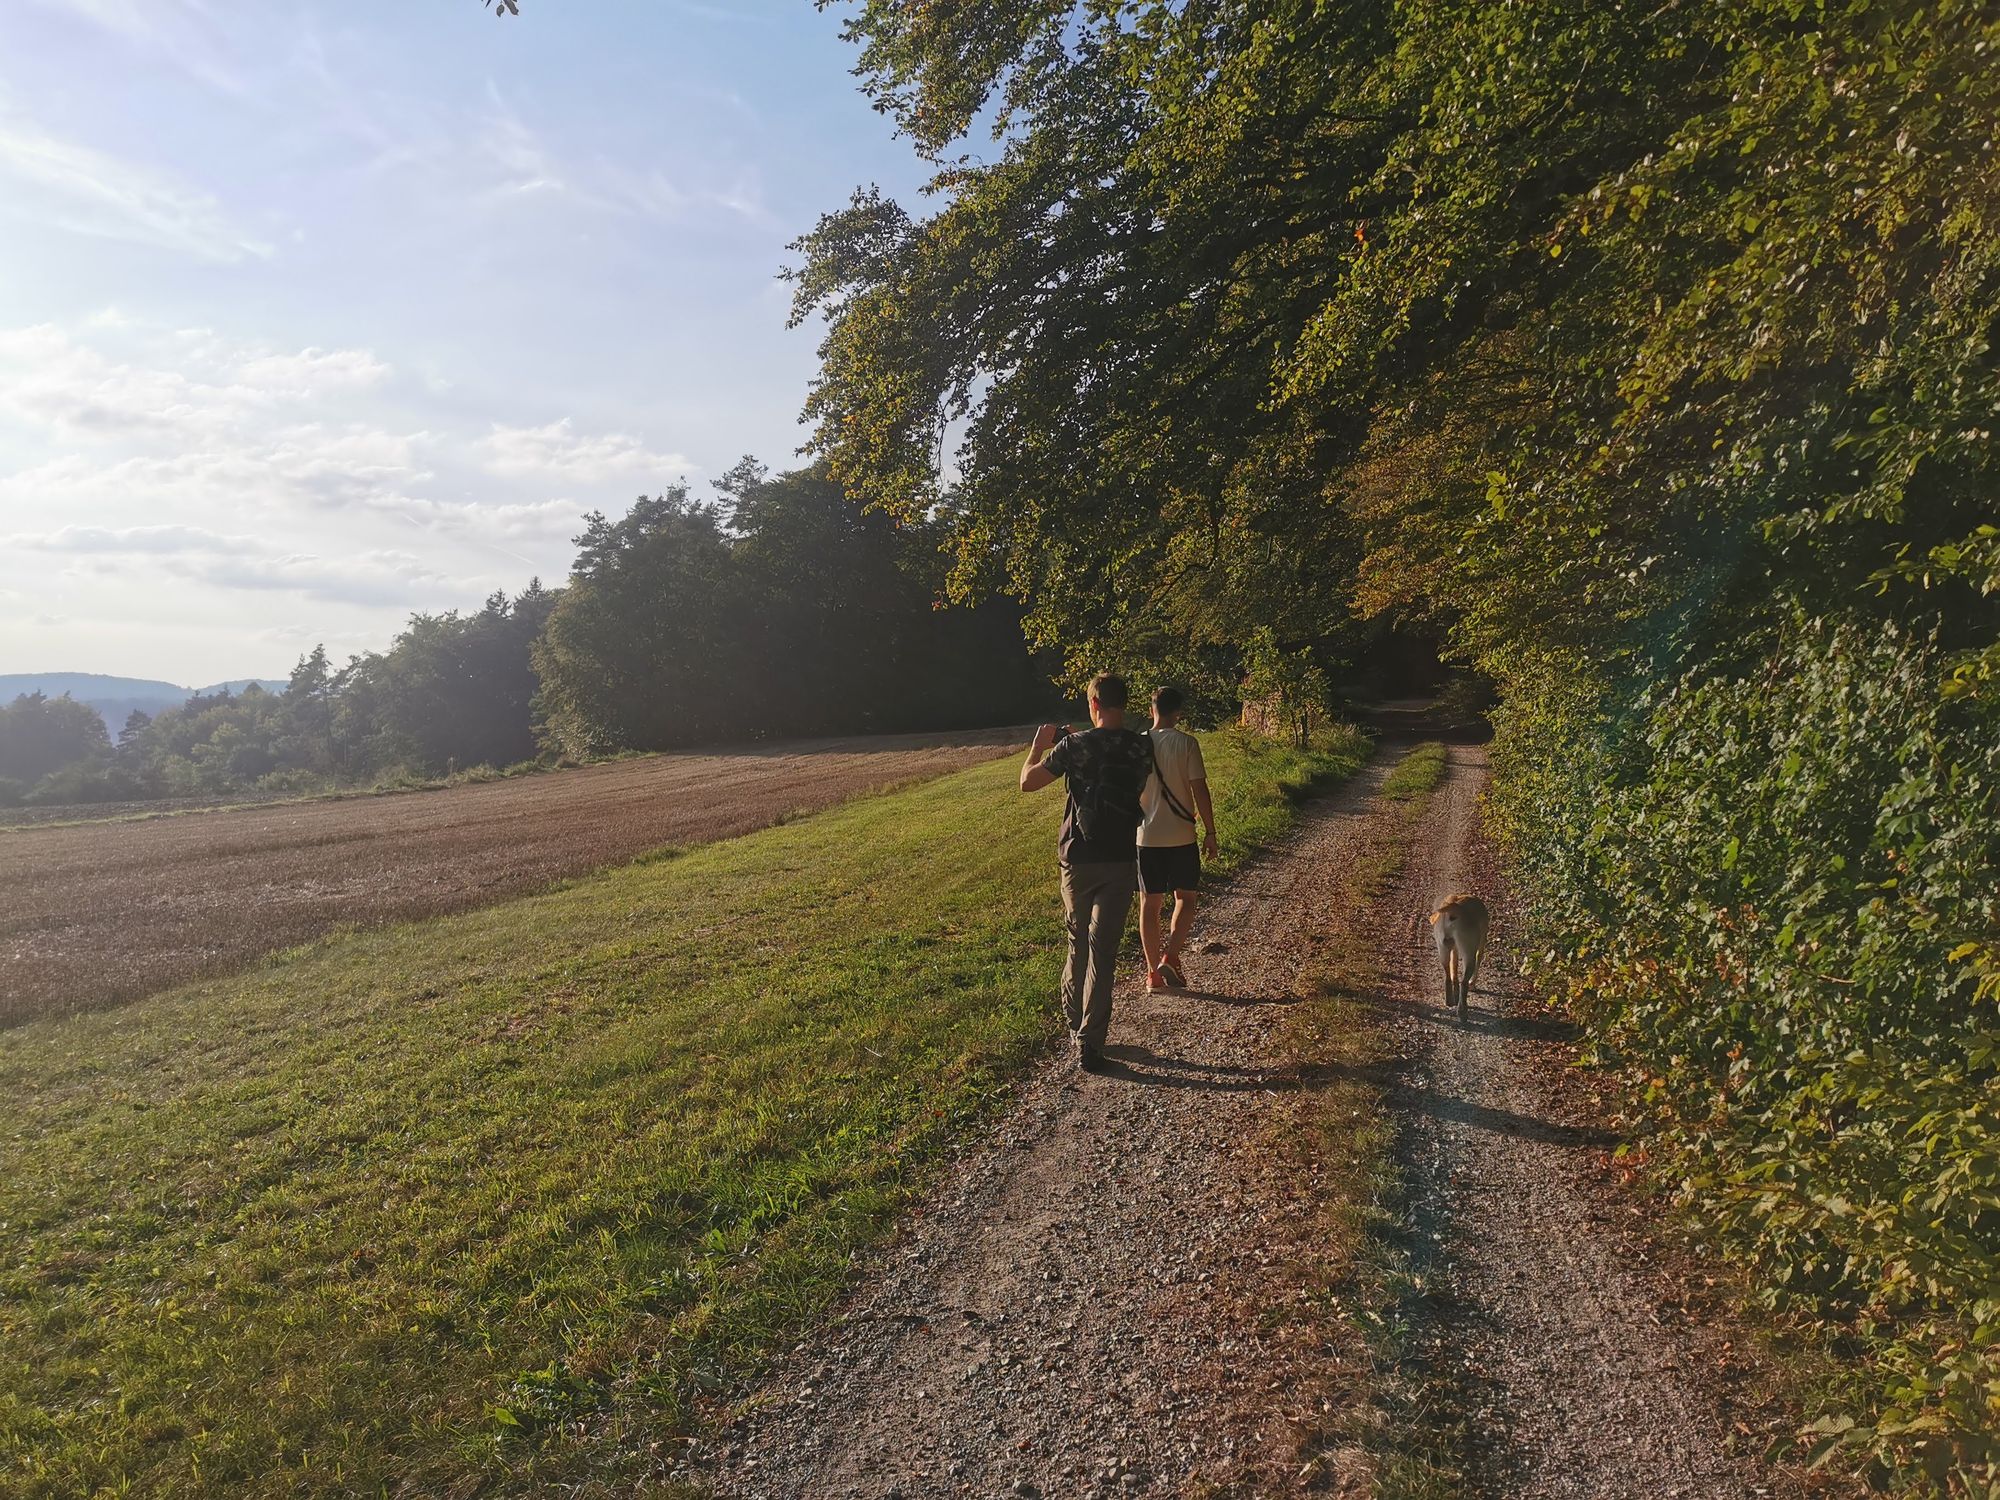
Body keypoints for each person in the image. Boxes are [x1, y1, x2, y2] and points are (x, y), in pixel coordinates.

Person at [1019, 673, 1155, 1072]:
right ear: (1123, 704)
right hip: (1121, 856)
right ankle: (1090, 1040)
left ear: (1093, 704)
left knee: (1078, 942)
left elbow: (1028, 783)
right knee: (1104, 950)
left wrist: (1038, 748)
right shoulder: (1140, 747)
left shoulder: (1073, 746)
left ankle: (1074, 1021)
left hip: (1078, 857)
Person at [1137, 685, 1218, 992]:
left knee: (1149, 903)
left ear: (1151, 710)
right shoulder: (1187, 743)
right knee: (1185, 897)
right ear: (1178, 713)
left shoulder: (1138, 744)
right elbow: (1200, 789)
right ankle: (1170, 956)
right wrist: (1210, 831)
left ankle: (1151, 974)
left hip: (1145, 836)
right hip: (1182, 835)